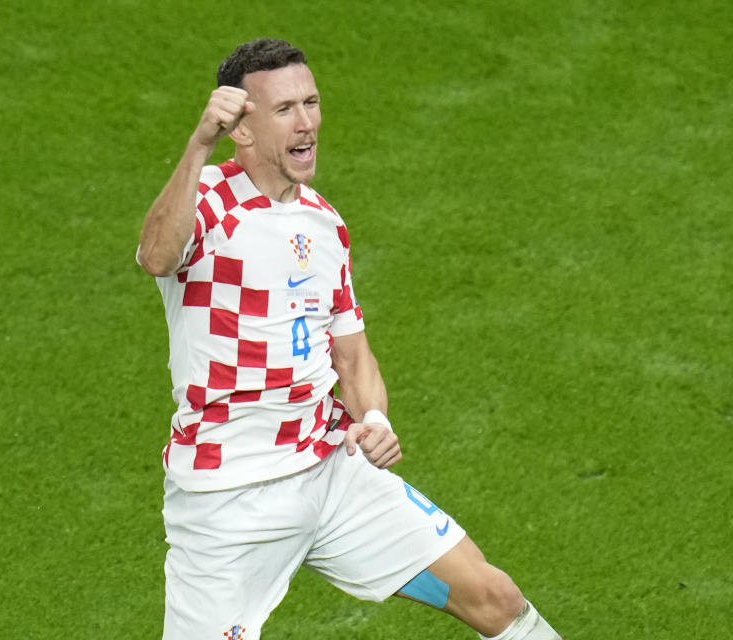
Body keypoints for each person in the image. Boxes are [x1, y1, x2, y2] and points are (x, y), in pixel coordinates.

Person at [137, 38, 562, 640]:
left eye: (310, 102)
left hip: (331, 469)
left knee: (495, 597)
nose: (306, 122)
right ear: (243, 128)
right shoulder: (206, 201)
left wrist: (376, 421)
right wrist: (198, 143)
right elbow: (157, 256)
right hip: (230, 497)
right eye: (284, 109)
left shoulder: (324, 223)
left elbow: (351, 352)